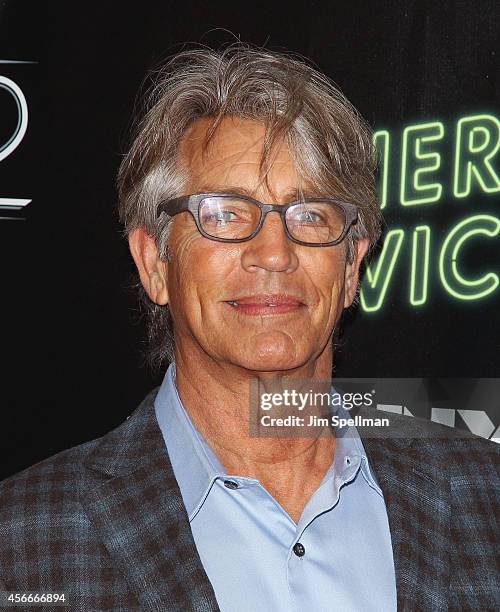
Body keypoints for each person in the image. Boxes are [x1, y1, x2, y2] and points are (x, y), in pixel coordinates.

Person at [0, 45, 498, 612]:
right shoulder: (21, 541)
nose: (273, 253)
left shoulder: (485, 496)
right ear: (155, 263)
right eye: (224, 213)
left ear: (353, 265)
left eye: (310, 214)